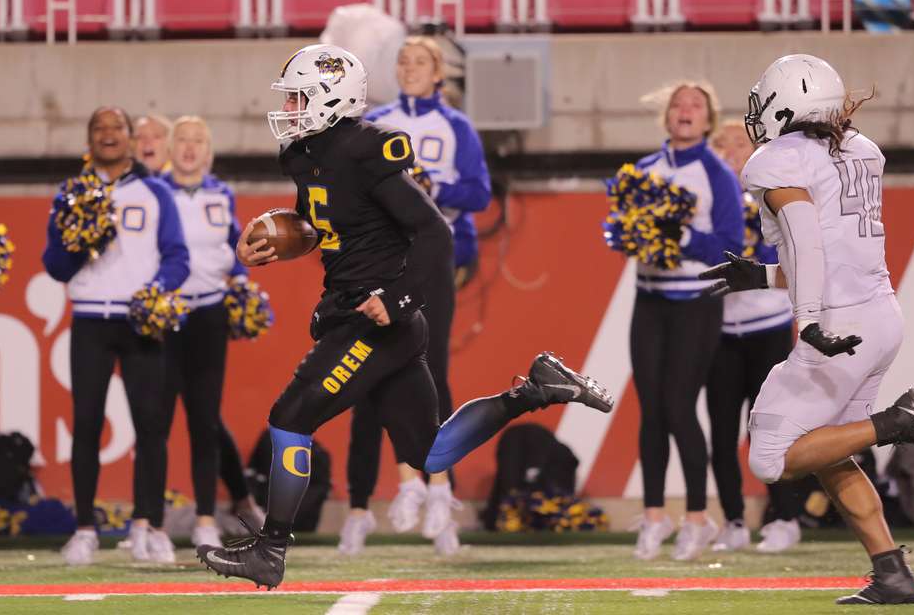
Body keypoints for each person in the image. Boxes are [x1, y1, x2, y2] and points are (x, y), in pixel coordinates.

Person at [196, 43, 613, 590]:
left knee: (290, 418)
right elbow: (327, 222)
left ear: (330, 97)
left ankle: (270, 551)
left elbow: (434, 232)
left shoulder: (369, 148)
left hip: (376, 318)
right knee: (429, 451)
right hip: (358, 310)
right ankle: (534, 390)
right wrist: (278, 243)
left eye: (301, 95)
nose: (292, 106)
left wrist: (397, 299)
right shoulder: (301, 155)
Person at [701, 53, 914, 605]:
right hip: (879, 316)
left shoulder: (777, 158)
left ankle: (900, 420)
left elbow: (806, 239)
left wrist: (806, 319)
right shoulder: (860, 149)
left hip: (838, 324)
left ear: (785, 104)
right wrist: (759, 275)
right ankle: (893, 573)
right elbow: (832, 251)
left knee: (770, 453)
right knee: (828, 452)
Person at [340, 36, 492, 556]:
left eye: (419, 62)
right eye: (402, 61)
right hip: (379, 261)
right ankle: (360, 507)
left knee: (432, 375)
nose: (408, 68)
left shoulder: (458, 126)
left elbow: (479, 193)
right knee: (365, 376)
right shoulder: (374, 121)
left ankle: (436, 491)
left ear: (438, 74)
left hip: (431, 260)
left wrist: (429, 189)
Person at [44, 106, 189, 567]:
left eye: (117, 128)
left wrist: (156, 292)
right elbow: (54, 265)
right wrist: (79, 240)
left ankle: (150, 525)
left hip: (139, 321)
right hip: (89, 320)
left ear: (130, 138)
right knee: (85, 424)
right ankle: (84, 529)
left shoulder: (156, 191)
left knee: (151, 427)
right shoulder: (71, 193)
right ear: (89, 139)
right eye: (99, 129)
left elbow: (178, 257)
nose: (108, 135)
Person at [627, 81, 744, 562]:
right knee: (651, 410)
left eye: (695, 104)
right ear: (667, 116)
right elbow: (623, 227)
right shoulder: (643, 170)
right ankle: (653, 517)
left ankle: (697, 517)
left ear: (708, 118)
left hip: (695, 302)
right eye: (678, 104)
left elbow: (731, 245)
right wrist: (628, 232)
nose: (685, 110)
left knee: (678, 407)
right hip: (649, 299)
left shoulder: (716, 171)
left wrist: (682, 235)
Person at [158, 115, 266, 550]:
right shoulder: (155, 191)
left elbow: (236, 249)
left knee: (205, 419)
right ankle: (150, 521)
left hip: (208, 314)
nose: (189, 147)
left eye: (198, 140)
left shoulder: (221, 194)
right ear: (169, 148)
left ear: (209, 151)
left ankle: (206, 518)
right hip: (164, 317)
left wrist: (242, 278)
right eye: (182, 139)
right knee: (156, 421)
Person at [704, 120, 803, 554]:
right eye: (720, 145)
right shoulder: (710, 201)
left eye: (738, 144)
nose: (729, 152)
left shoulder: (773, 194)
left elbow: (788, 255)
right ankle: (734, 521)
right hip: (721, 331)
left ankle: (785, 517)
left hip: (769, 328)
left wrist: (749, 239)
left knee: (770, 426)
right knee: (723, 432)